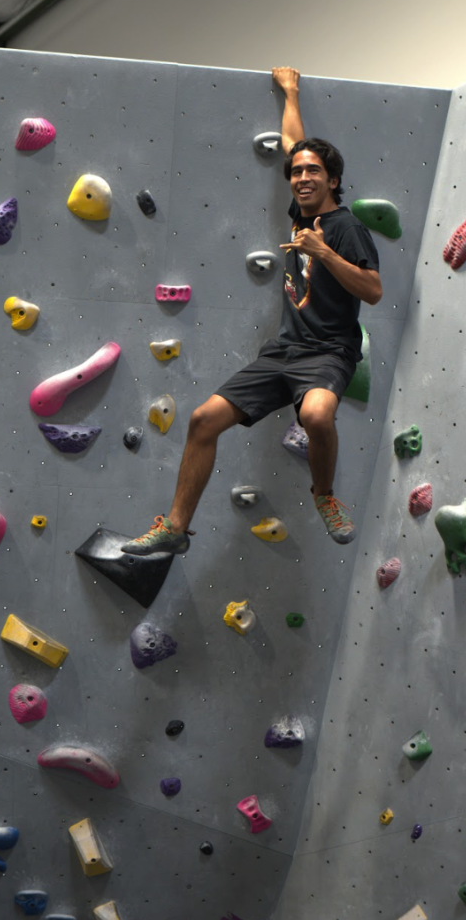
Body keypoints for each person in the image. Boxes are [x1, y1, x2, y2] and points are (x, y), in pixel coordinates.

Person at [121, 66, 382, 556]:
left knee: (318, 416)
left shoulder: (343, 226)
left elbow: (373, 290)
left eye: (313, 172)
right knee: (202, 419)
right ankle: (176, 527)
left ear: (334, 181)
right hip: (284, 351)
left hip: (329, 351)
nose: (302, 177)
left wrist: (324, 253)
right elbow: (292, 142)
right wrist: (290, 91)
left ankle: (324, 496)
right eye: (298, 173)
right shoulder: (302, 211)